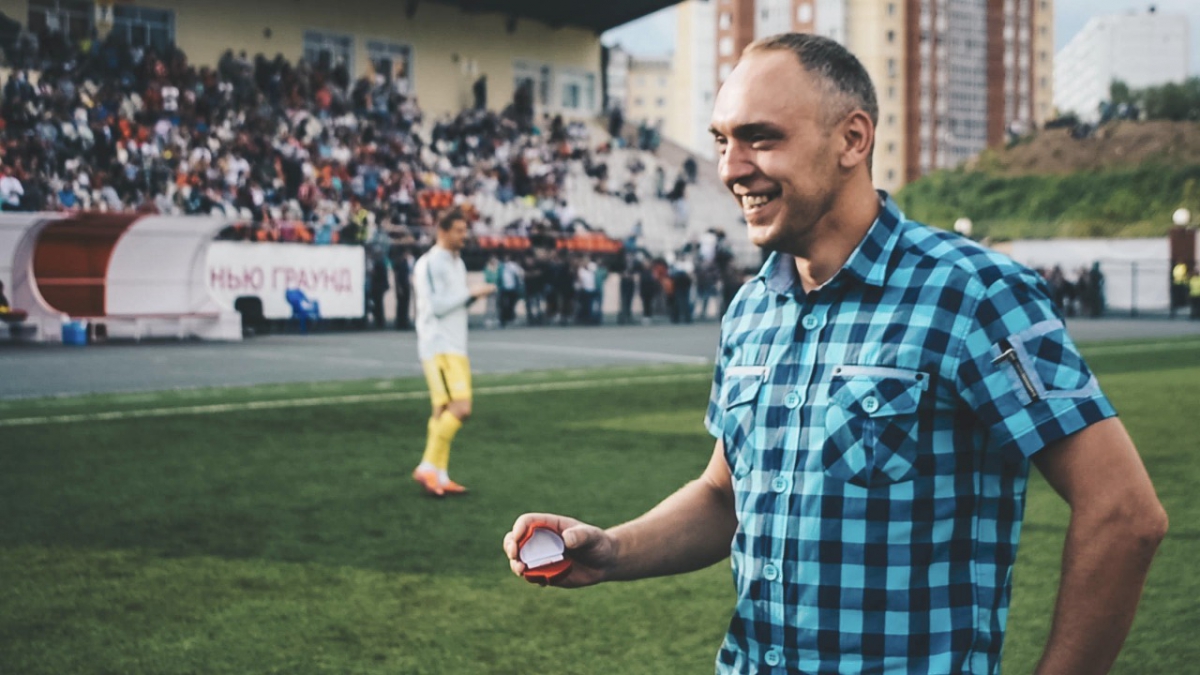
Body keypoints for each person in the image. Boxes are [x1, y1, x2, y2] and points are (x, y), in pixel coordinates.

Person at [503, 33, 1167, 674]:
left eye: (761, 138)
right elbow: (725, 495)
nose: (731, 168)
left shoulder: (971, 292)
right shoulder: (752, 308)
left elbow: (1124, 513)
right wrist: (614, 549)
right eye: (723, 141)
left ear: (853, 139)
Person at [411, 209, 496, 497]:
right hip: (439, 345)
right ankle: (427, 466)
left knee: (442, 410)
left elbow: (454, 304)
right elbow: (436, 307)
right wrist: (471, 293)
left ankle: (440, 474)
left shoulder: (456, 263)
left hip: (454, 344)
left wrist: (472, 296)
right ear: (442, 231)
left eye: (465, 230)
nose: (464, 236)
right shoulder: (431, 262)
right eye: (458, 231)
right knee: (461, 408)